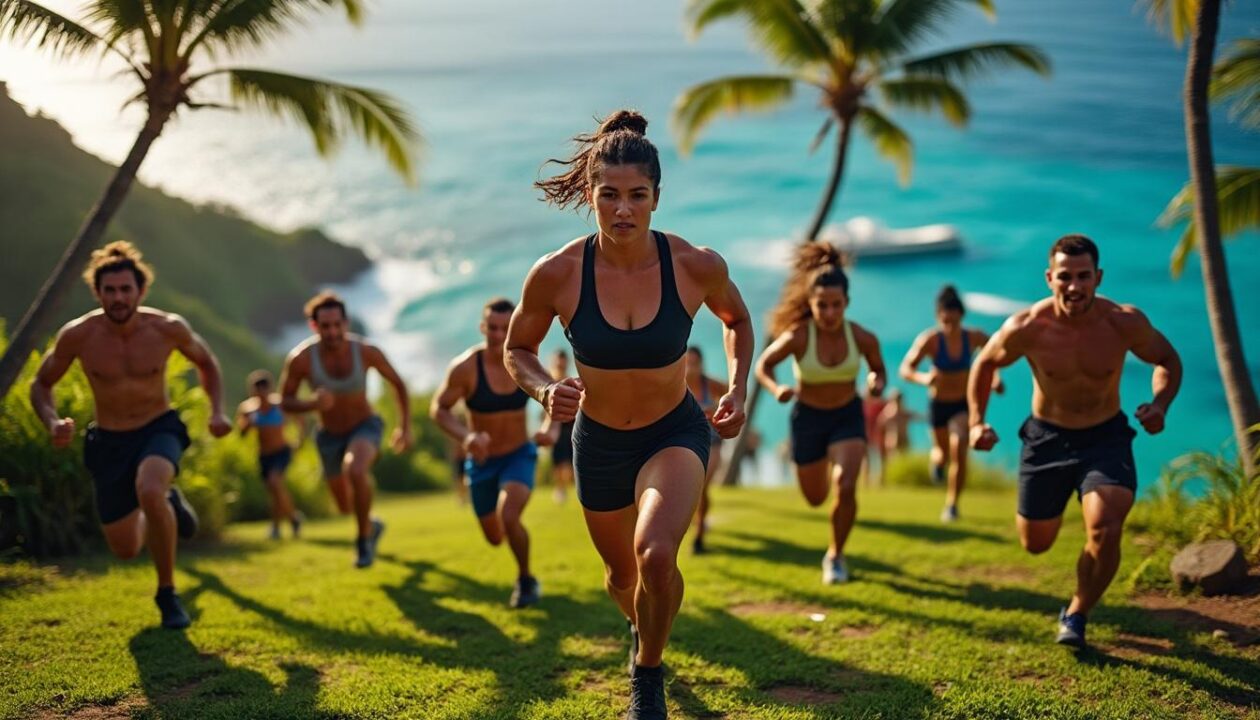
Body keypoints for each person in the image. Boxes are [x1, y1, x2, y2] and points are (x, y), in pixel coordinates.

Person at [505, 110, 753, 720]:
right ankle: (643, 627)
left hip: (675, 432)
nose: (623, 210)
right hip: (599, 445)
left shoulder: (695, 265)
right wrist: (542, 391)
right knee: (622, 578)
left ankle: (648, 671)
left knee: (655, 556)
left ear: (656, 197)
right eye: (609, 195)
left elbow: (738, 321)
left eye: (636, 196)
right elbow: (517, 349)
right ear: (589, 195)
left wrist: (740, 387)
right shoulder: (558, 273)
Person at [969, 234, 1181, 648]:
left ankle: (1078, 612)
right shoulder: (1027, 326)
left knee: (1105, 527)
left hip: (1105, 437)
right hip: (1046, 438)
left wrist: (1160, 405)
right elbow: (985, 363)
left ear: (1098, 277)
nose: (1074, 286)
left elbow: (1167, 360)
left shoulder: (1123, 322)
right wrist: (978, 422)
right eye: (1065, 276)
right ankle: (1072, 587)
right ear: (1049, 278)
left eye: (1083, 276)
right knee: (1036, 543)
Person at [29, 241, 230, 629]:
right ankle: (167, 503)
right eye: (110, 290)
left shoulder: (168, 328)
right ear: (98, 292)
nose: (118, 298)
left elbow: (207, 362)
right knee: (125, 548)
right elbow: (41, 384)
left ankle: (167, 593)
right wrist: (52, 421)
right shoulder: (78, 336)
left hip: (159, 428)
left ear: (140, 291)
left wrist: (217, 410)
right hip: (109, 442)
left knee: (149, 488)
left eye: (126, 289)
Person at [755, 242, 886, 585]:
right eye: (822, 306)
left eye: (836, 305)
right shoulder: (799, 336)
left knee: (845, 486)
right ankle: (825, 471)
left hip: (847, 416)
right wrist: (777, 388)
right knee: (815, 498)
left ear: (847, 303)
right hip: (808, 419)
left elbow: (879, 371)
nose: (829, 313)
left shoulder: (862, 337)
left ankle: (836, 555)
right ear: (811, 305)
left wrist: (875, 383)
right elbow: (764, 365)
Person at [279, 291, 411, 568]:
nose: (332, 331)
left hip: (365, 426)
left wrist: (404, 426)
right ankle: (371, 526)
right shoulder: (301, 359)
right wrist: (311, 403)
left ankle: (363, 542)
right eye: (325, 326)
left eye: (337, 324)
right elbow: (286, 401)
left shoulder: (365, 352)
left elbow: (398, 384)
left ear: (346, 322)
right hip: (328, 437)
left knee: (356, 469)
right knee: (344, 506)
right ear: (314, 327)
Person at [432, 297, 541, 608]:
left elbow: (549, 396)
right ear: (483, 327)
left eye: (505, 329)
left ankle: (525, 579)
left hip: (519, 455)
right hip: (482, 463)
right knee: (494, 538)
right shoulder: (465, 368)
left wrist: (550, 427)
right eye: (492, 328)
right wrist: (466, 437)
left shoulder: (525, 361)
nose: (498, 335)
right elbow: (439, 409)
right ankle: (522, 569)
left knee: (509, 516)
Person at [900, 285, 1001, 522]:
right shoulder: (930, 340)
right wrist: (924, 378)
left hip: (963, 404)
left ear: (961, 317)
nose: (949, 326)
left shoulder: (974, 337)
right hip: (938, 405)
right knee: (942, 454)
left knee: (960, 447)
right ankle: (937, 463)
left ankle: (952, 505)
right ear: (938, 317)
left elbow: (996, 355)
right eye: (945, 320)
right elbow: (906, 369)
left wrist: (994, 380)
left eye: (953, 321)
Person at [235, 370, 304, 540]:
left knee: (275, 482)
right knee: (274, 491)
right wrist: (248, 423)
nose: (261, 394)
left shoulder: (279, 405)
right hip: (264, 455)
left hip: (281, 451)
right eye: (257, 391)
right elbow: (241, 433)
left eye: (264, 390)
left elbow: (300, 419)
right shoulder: (247, 409)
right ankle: (292, 518)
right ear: (252, 391)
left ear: (270, 389)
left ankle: (277, 526)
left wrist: (299, 441)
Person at [684, 345, 727, 555]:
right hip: (687, 443)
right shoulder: (676, 385)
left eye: (695, 363)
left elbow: (734, 396)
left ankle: (699, 536)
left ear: (701, 364)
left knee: (701, 486)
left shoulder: (711, 385)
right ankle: (698, 522)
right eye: (687, 363)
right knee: (696, 490)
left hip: (713, 442)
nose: (691, 368)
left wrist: (719, 411)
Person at [534, 349, 576, 503]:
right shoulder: (549, 381)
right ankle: (560, 489)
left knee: (571, 461)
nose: (560, 363)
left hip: (570, 426)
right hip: (554, 425)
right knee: (558, 462)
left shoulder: (570, 380)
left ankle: (571, 487)